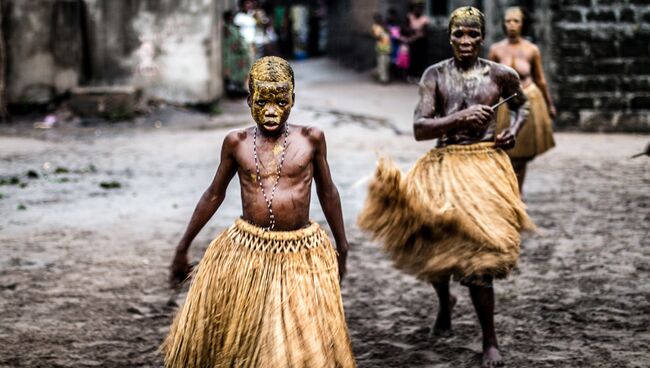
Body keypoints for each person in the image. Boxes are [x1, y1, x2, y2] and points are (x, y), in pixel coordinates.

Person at [358, 7, 534, 368]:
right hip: (443, 163)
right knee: (436, 240)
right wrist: (459, 117)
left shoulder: (501, 75)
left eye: (472, 34)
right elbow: (420, 128)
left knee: (479, 255)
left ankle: (489, 340)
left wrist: (510, 133)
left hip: (485, 164)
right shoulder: (434, 75)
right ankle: (444, 303)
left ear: (482, 38)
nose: (465, 41)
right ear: (449, 37)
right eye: (459, 35)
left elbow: (523, 106)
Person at [163, 56, 355, 368]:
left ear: (292, 99)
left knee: (296, 336)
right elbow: (214, 194)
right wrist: (183, 246)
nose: (270, 111)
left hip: (300, 250)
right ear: (249, 100)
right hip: (248, 249)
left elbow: (328, 192)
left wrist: (342, 246)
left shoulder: (311, 139)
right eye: (262, 101)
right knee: (250, 332)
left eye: (280, 101)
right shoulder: (236, 142)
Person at [489, 6, 556, 194]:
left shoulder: (531, 50)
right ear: (503, 24)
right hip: (504, 102)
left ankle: (518, 192)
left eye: (516, 21)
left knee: (523, 152)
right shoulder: (496, 50)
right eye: (508, 21)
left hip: (528, 99)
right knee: (504, 149)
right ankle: (507, 190)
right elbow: (489, 80)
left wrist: (549, 103)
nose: (511, 25)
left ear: (522, 24)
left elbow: (540, 78)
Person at [223, 10, 252, 97]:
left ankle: (239, 88)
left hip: (239, 53)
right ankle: (234, 89)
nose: (232, 18)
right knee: (233, 72)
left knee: (241, 71)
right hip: (232, 54)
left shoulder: (233, 27)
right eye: (231, 16)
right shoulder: (227, 27)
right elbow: (230, 41)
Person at [406, 0, 430, 81]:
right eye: (415, 8)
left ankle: (418, 76)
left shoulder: (424, 19)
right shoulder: (410, 17)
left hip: (421, 43)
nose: (417, 10)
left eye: (419, 8)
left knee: (420, 59)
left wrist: (414, 36)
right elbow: (406, 28)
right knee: (412, 59)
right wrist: (412, 32)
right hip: (412, 43)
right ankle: (411, 75)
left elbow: (424, 33)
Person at [372, 13, 391, 84]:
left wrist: (384, 27)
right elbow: (377, 37)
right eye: (377, 18)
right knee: (382, 63)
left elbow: (390, 33)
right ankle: (383, 79)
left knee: (387, 63)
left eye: (379, 18)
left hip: (387, 47)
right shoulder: (375, 27)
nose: (378, 20)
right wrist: (383, 31)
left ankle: (383, 76)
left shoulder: (384, 26)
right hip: (380, 48)